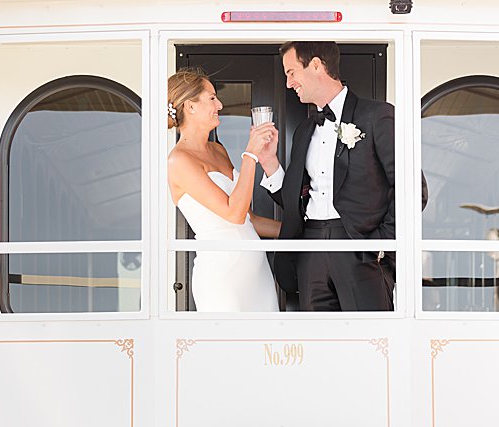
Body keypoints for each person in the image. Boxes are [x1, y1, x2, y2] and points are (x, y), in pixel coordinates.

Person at [256, 41, 409, 311]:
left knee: (369, 342)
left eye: (292, 72)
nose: (289, 83)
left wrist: (380, 244)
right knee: (319, 346)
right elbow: (295, 202)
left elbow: (411, 189)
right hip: (310, 252)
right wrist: (269, 162)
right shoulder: (305, 129)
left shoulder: (377, 115)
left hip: (361, 251)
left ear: (316, 66)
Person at [166, 69, 281, 312]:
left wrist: (304, 230)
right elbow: (234, 214)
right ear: (190, 106)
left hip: (257, 273)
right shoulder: (179, 160)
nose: (219, 104)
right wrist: (250, 155)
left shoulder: (218, 150)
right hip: (223, 275)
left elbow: (249, 220)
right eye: (211, 98)